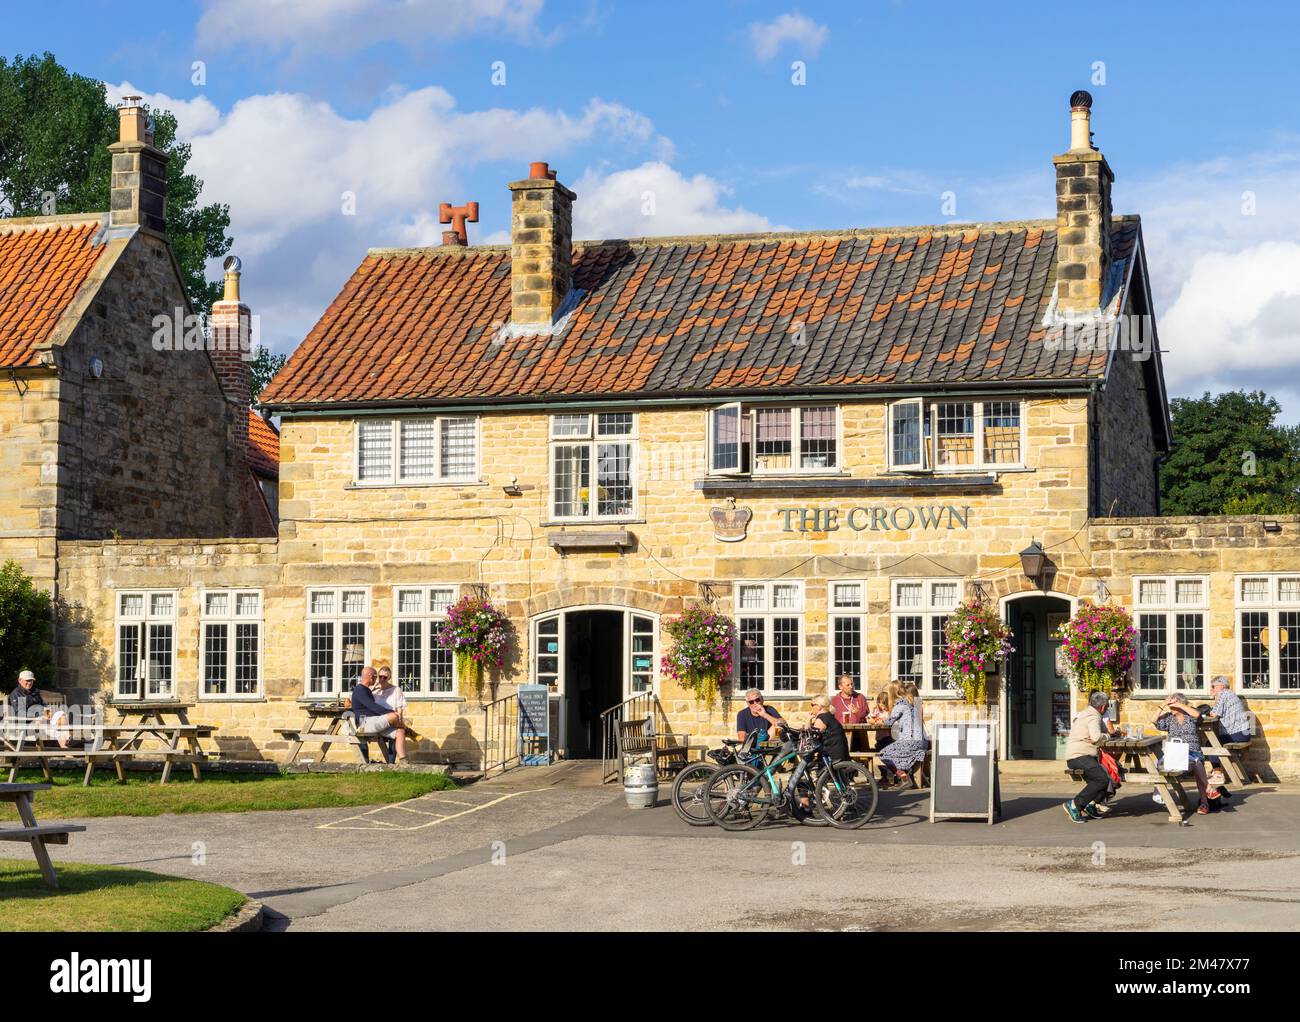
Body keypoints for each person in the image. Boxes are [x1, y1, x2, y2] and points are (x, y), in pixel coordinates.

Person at [1152, 691, 1215, 815]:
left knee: (1197, 762)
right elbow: (1153, 720)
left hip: (1193, 752)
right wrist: (1163, 704)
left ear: (1181, 704)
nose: (1171, 708)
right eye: (1170, 706)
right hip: (1175, 754)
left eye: (1173, 705)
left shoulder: (1190, 716)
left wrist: (1179, 705)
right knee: (1195, 763)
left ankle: (1204, 803)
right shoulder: (1169, 718)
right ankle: (1207, 792)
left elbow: (1197, 715)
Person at [1063, 690, 1112, 822]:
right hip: (1078, 756)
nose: (1107, 708)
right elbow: (1097, 737)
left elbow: (1102, 732)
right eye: (1107, 706)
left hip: (1084, 756)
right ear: (1103, 707)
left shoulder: (1090, 713)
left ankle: (1090, 805)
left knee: (1109, 776)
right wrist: (1107, 736)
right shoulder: (1093, 716)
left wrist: (1108, 734)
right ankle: (1074, 805)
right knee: (1101, 779)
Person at [349, 666, 409, 765]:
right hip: (365, 723)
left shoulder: (367, 690)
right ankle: (405, 727)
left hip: (374, 721)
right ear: (370, 676)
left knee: (400, 732)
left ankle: (403, 761)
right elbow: (373, 707)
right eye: (376, 676)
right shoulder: (360, 690)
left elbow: (374, 709)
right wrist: (392, 713)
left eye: (382, 677)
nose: (378, 679)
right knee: (393, 717)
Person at [5, 670, 72, 749]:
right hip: (28, 723)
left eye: (31, 680)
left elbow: (43, 705)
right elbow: (21, 713)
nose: (29, 683)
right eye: (27, 680)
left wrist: (47, 711)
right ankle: (66, 741)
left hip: (42, 720)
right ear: (20, 680)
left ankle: (66, 737)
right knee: (57, 731)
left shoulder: (34, 691)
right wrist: (38, 716)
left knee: (61, 713)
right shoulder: (17, 694)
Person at [879, 684, 927, 790]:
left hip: (911, 742)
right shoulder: (916, 703)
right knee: (894, 747)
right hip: (922, 741)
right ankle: (909, 776)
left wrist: (878, 720)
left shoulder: (900, 704)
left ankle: (904, 778)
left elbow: (888, 722)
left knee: (883, 754)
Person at [370, 666, 408, 764]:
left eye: (385, 677)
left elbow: (399, 711)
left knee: (399, 732)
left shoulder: (396, 690)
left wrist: (398, 720)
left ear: (389, 678)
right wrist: (374, 687)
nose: (382, 679)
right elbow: (366, 701)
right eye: (380, 676)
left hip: (391, 722)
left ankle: (396, 762)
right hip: (377, 722)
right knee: (399, 729)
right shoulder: (374, 691)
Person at [1208, 676, 1252, 744]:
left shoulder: (1223, 693)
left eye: (1213, 686)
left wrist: (1215, 696)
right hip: (1244, 733)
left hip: (1237, 734)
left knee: (1210, 743)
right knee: (1214, 741)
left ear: (1221, 686)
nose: (1211, 689)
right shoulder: (1230, 693)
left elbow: (1214, 714)